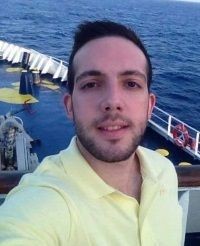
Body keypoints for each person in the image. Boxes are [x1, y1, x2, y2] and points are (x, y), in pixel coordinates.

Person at [0, 20, 182, 245]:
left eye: (131, 84)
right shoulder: (39, 205)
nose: (113, 102)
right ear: (69, 106)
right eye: (91, 84)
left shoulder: (165, 173)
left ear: (150, 106)